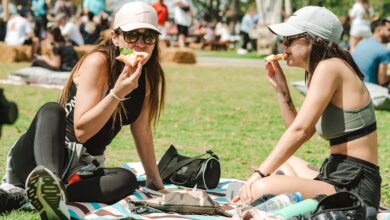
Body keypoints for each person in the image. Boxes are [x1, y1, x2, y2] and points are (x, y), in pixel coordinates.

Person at [5, 2, 165, 219]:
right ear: (115, 37)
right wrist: (117, 93)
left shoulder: (146, 77)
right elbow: (81, 132)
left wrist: (155, 182)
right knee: (52, 110)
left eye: (149, 37)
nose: (140, 43)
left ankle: (48, 196)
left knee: (126, 180)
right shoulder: (98, 62)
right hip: (41, 155)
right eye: (132, 35)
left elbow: (143, 131)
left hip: (82, 168)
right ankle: (47, 185)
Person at [237, 6, 382, 211]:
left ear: (313, 40)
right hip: (336, 172)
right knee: (284, 164)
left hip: (354, 185)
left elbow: (301, 132)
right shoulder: (322, 69)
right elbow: (297, 127)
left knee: (260, 188)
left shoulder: (329, 67)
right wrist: (281, 89)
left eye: (289, 39)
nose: (283, 45)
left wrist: (258, 174)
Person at [352, 18, 390, 87]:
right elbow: (382, 81)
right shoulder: (384, 51)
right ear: (379, 30)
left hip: (355, 85)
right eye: (389, 30)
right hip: (370, 90)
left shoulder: (362, 42)